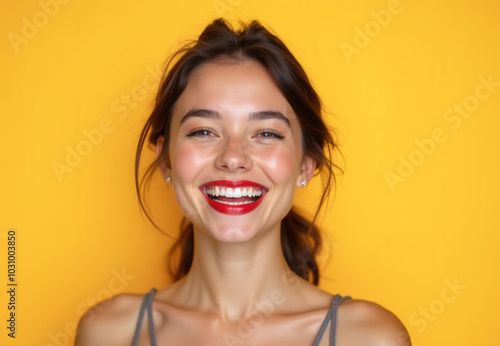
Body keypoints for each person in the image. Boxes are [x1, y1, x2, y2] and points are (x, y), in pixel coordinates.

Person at [75, 18, 411, 346]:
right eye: (203, 131)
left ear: (305, 166)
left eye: (266, 133)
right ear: (166, 159)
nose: (233, 157)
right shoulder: (108, 332)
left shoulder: (369, 337)